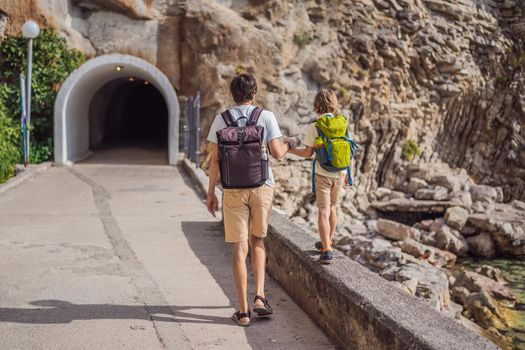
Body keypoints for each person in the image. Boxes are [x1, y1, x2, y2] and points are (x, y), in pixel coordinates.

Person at [206, 73, 290, 327]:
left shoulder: (221, 120)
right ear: (254, 93)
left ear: (232, 94)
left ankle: (243, 313)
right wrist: (287, 145)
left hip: (232, 189)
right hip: (261, 186)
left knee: (238, 248)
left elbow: (214, 161)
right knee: (258, 241)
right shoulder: (265, 117)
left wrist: (211, 192)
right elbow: (277, 154)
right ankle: (260, 298)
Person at [288, 89, 353, 264]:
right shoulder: (342, 123)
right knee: (333, 208)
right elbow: (349, 150)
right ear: (334, 103)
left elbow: (308, 153)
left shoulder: (315, 126)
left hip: (323, 173)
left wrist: (290, 149)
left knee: (323, 211)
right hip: (340, 173)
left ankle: (326, 250)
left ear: (316, 104)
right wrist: (347, 173)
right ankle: (327, 242)